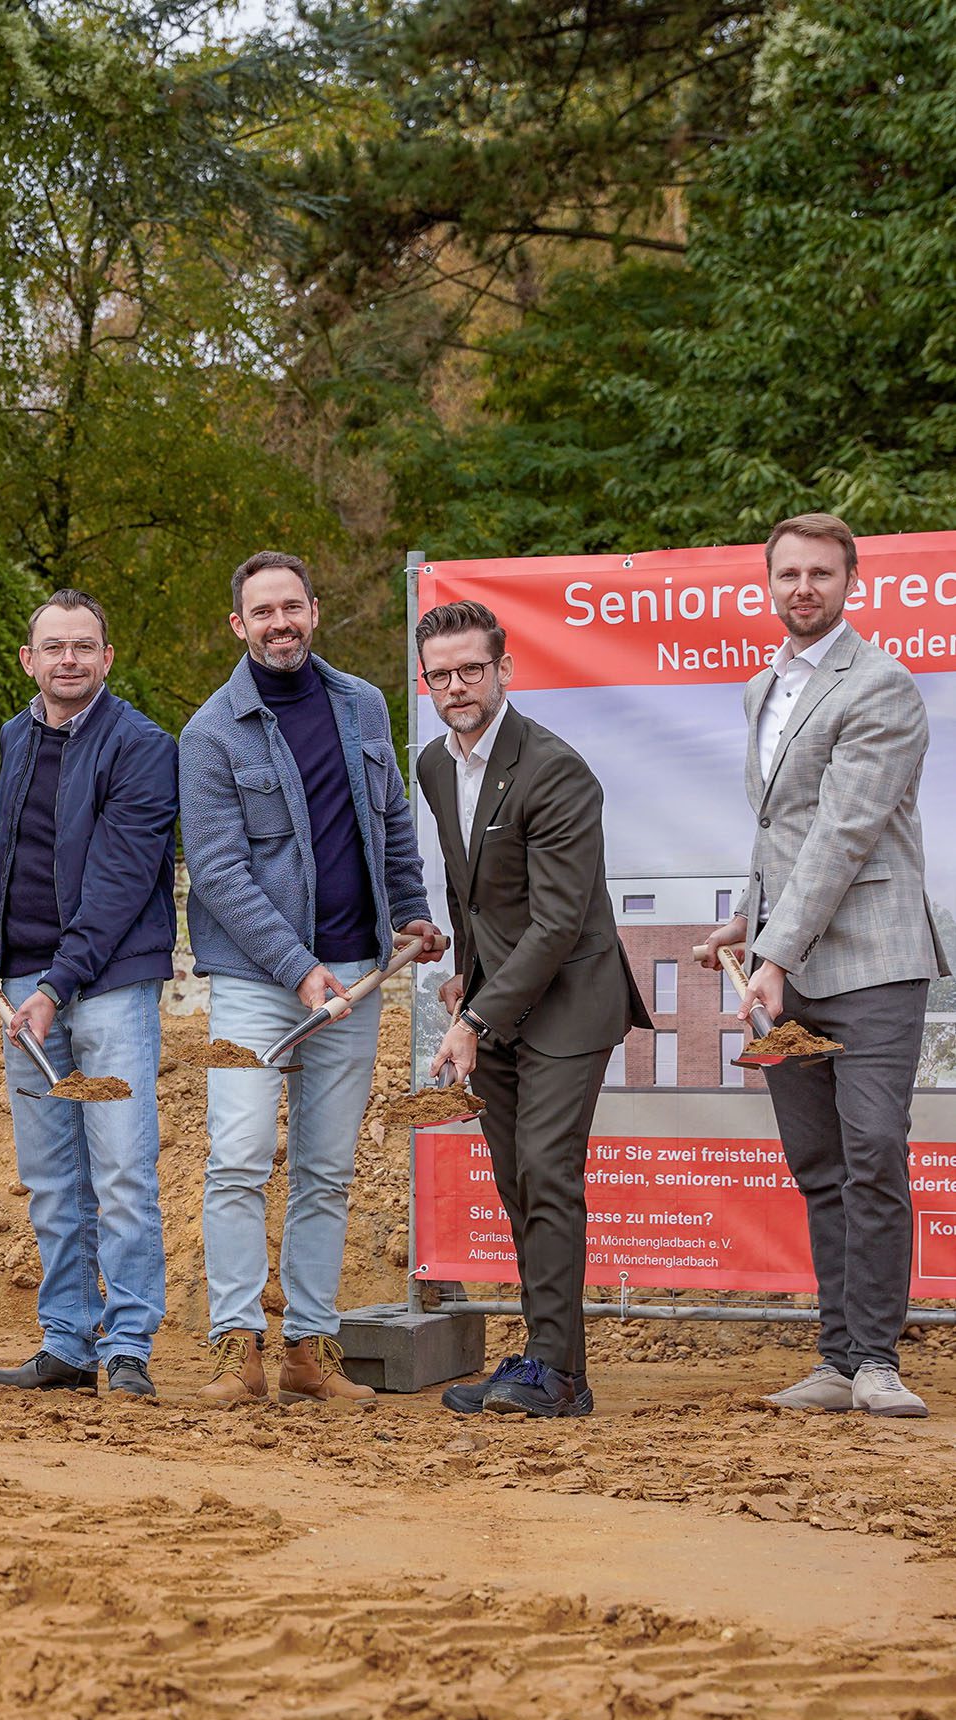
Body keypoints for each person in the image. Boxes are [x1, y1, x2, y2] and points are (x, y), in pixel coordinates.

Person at [179, 551, 446, 1408]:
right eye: (261, 612)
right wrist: (297, 972)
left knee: (326, 1169)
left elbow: (390, 821)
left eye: (290, 607)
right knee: (237, 1159)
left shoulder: (361, 704)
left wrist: (408, 909)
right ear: (238, 626)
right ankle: (234, 1348)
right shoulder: (210, 732)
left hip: (360, 974)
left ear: (314, 612)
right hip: (256, 983)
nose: (278, 623)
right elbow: (217, 872)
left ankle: (308, 1351)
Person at [701, 513, 946, 1419]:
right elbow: (781, 833)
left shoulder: (879, 686)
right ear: (767, 584)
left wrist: (771, 949)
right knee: (817, 1164)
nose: (802, 588)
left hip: (873, 962)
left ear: (852, 582)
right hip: (786, 962)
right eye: (787, 574)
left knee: (872, 1151)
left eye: (820, 573)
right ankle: (837, 1360)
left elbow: (845, 833)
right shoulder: (760, 687)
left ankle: (879, 1360)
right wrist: (744, 925)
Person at [0, 590, 179, 1396]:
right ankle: (69, 1342)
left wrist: (55, 984)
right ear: (28, 660)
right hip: (24, 984)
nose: (68, 659)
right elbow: (9, 848)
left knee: (120, 1173)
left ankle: (129, 1346)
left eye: (84, 646)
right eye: (54, 647)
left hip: (105, 988)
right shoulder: (17, 736)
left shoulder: (142, 746)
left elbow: (118, 882)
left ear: (107, 658)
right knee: (51, 1178)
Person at [416, 599, 650, 1419]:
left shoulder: (555, 769)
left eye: (470, 669)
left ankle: (553, 1369)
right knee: (519, 1182)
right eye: (440, 674)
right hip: (497, 997)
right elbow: (466, 883)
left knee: (547, 1171)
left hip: (571, 1000)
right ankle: (550, 1362)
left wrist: (474, 1020)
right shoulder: (435, 766)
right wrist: (465, 976)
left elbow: (556, 921)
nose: (457, 686)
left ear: (503, 670)